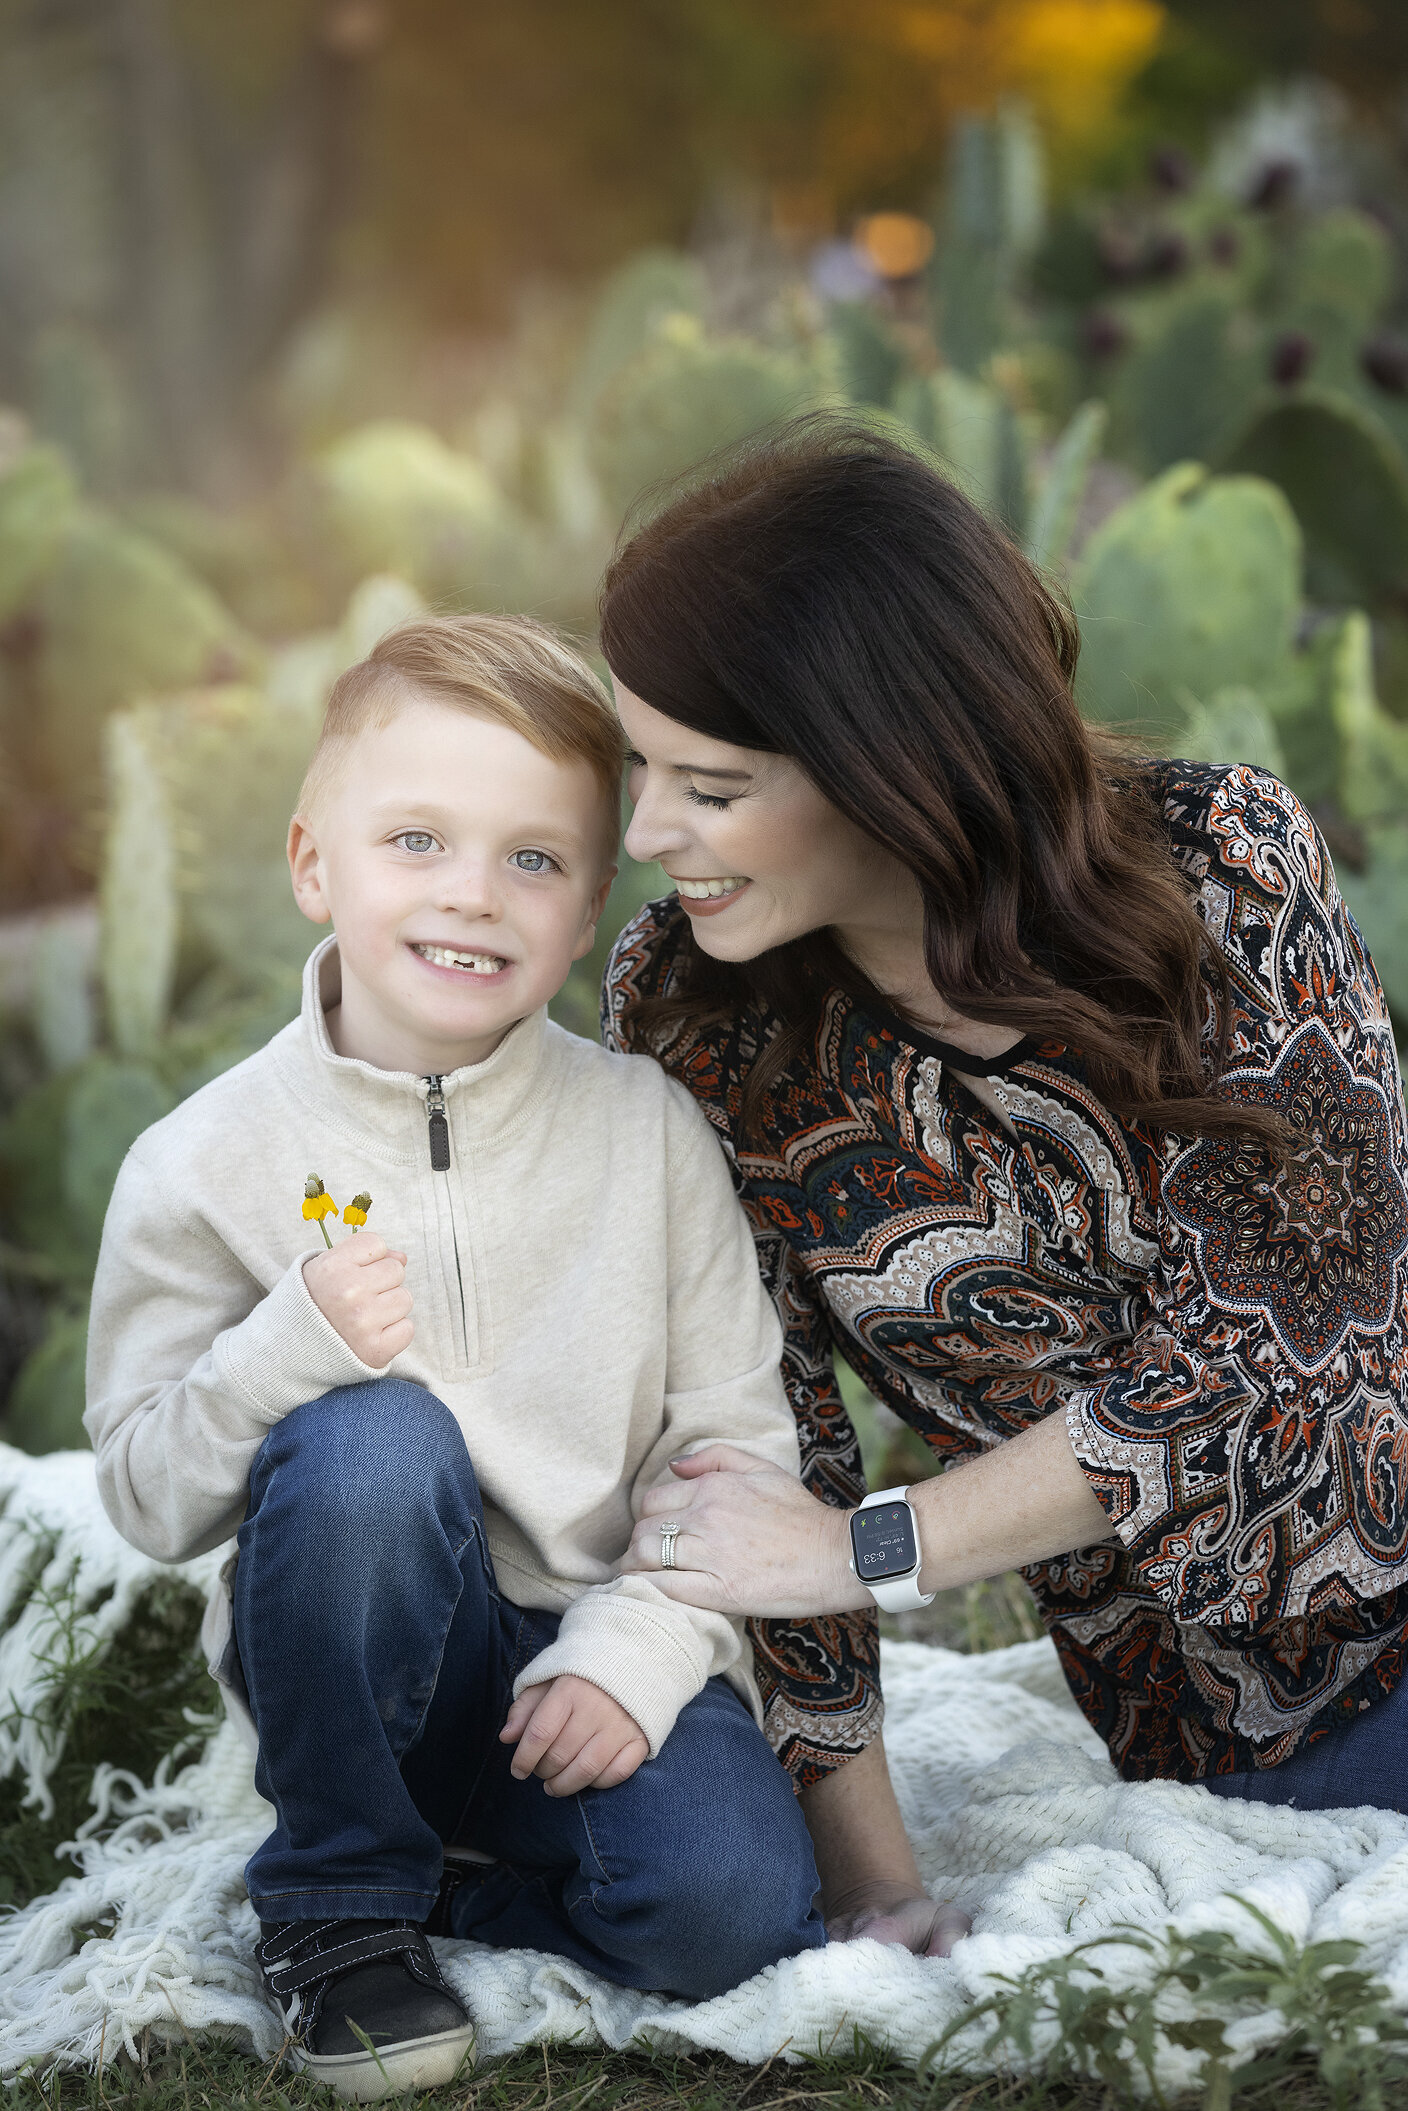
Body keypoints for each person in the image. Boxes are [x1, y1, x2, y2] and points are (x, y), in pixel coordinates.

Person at [596, 418, 1408, 1937]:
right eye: (641, 766)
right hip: (1205, 1749)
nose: (647, 835)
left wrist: (868, 1550)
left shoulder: (1228, 866)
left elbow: (1267, 1365)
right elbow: (765, 1452)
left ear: (886, 768)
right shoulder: (699, 1013)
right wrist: (876, 1881)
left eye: (707, 787)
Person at [84, 615, 827, 2099]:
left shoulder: (645, 1132)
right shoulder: (204, 1160)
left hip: (582, 1654)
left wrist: (638, 1656)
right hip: (361, 1669)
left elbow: (735, 1444)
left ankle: (443, 1897)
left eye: (532, 861)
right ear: (314, 864)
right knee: (373, 1440)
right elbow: (150, 1497)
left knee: (737, 1913)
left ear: (590, 907)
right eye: (416, 840)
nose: (473, 899)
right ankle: (340, 1906)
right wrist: (279, 1354)